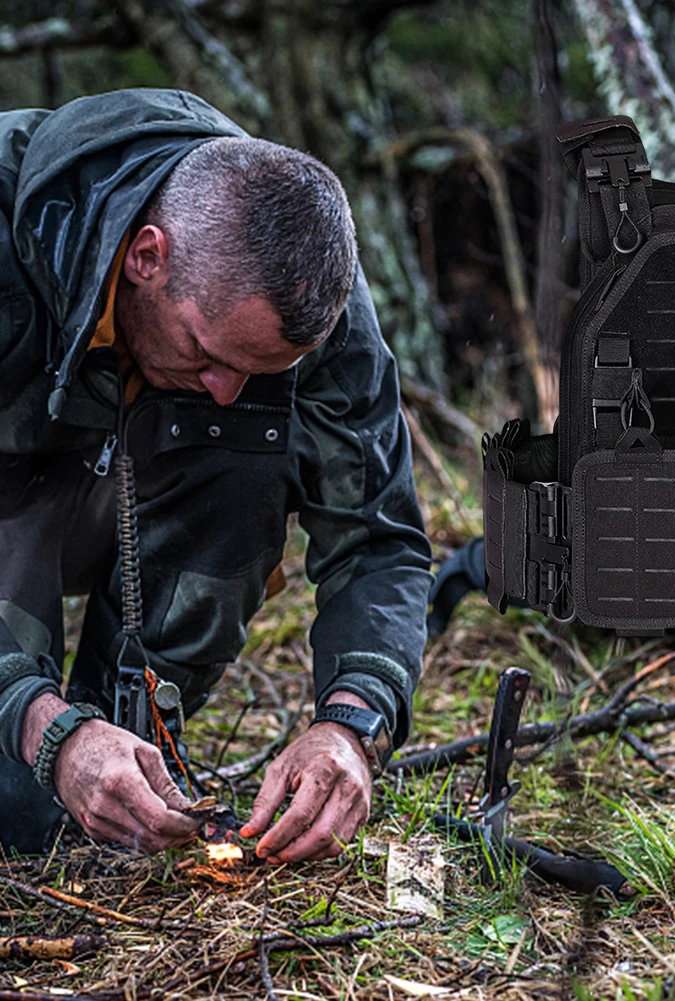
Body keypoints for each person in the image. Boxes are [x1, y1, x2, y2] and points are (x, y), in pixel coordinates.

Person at [0, 89, 432, 860]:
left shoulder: (305, 292)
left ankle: (119, 762)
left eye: (258, 369)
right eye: (208, 355)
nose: (228, 389)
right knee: (11, 800)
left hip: (133, 496)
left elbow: (379, 539)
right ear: (146, 257)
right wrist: (40, 723)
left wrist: (352, 722)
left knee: (246, 461)